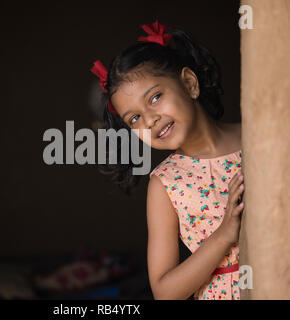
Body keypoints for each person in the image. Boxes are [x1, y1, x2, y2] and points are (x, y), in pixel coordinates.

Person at [90, 21, 244, 300]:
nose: (149, 120)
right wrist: (224, 234)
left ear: (189, 83)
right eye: (134, 118)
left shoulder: (256, 140)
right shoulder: (165, 184)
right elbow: (164, 292)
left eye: (156, 97)